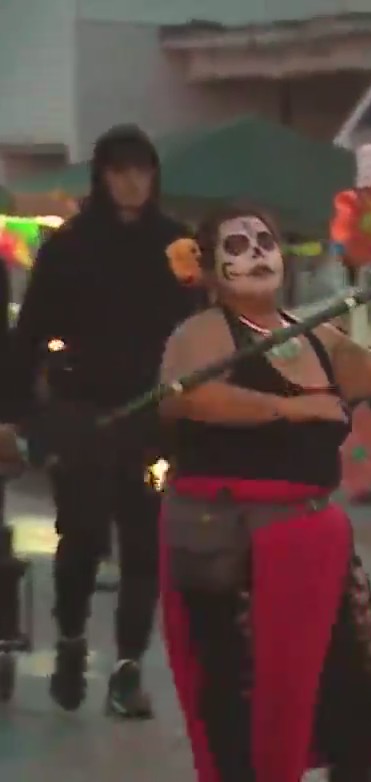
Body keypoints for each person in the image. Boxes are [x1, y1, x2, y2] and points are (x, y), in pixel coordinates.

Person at [155, 204, 371, 782]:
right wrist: (288, 407)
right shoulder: (202, 333)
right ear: (210, 267)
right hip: (228, 533)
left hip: (312, 535)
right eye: (237, 242)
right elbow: (188, 398)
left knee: (360, 665)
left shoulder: (312, 335)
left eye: (265, 239)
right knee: (237, 680)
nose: (256, 252)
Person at [12, 124, 198, 718]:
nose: (132, 183)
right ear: (103, 176)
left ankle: (127, 668)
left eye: (142, 171)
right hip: (83, 418)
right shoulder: (69, 247)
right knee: (83, 538)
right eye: (121, 172)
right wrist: (17, 415)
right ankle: (71, 640)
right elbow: (29, 334)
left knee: (145, 545)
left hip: (152, 420)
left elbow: (200, 328)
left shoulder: (176, 248)